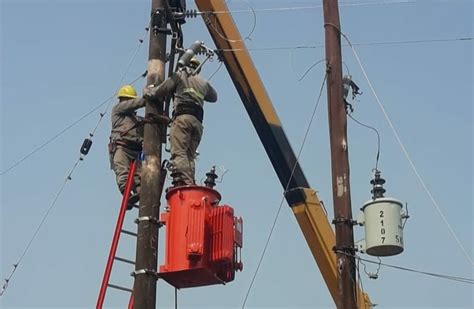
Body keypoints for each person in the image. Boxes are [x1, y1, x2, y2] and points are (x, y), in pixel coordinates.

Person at [144, 57, 217, 186]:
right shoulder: (203, 82)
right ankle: (190, 182)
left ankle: (187, 182)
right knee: (189, 155)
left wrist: (148, 91)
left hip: (183, 118)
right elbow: (214, 97)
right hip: (198, 123)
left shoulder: (179, 75)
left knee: (179, 153)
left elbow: (159, 91)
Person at [109, 84, 146, 205]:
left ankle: (141, 196)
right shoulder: (117, 110)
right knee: (123, 172)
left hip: (135, 151)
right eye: (126, 100)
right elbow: (132, 105)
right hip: (121, 147)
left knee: (139, 177)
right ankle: (127, 195)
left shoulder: (137, 120)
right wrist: (148, 99)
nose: (127, 102)